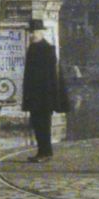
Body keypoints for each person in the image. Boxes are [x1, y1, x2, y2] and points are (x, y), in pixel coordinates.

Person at [22, 21, 62, 160]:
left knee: (43, 124)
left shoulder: (46, 49)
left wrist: (49, 98)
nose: (32, 35)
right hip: (35, 95)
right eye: (30, 32)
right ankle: (42, 151)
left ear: (41, 32)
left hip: (44, 96)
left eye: (34, 32)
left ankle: (45, 152)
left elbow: (50, 77)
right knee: (37, 124)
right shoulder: (33, 48)